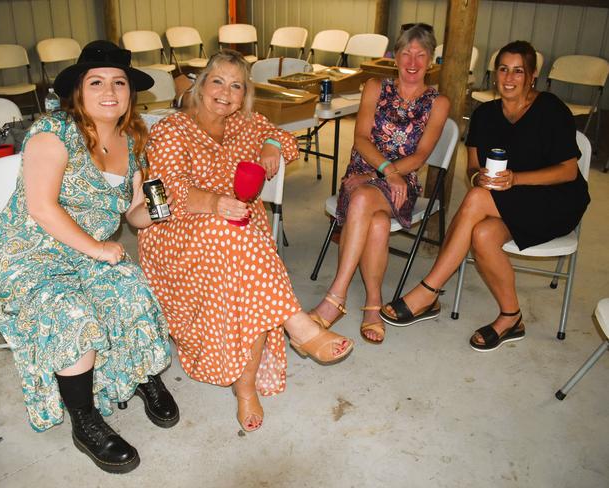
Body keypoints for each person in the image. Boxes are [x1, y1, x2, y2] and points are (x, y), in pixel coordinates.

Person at [0, 40, 179, 474]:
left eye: (119, 82)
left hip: (89, 251)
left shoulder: (132, 138)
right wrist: (96, 247)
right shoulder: (53, 133)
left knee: (132, 287)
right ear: (78, 91)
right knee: (70, 311)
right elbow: (41, 206)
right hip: (30, 251)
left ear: (130, 92)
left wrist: (156, 209)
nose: (109, 91)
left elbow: (132, 211)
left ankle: (143, 374)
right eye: (97, 82)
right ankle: (85, 420)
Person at [138, 49, 354, 433]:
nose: (226, 92)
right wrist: (215, 204)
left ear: (244, 95)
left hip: (237, 233)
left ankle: (247, 386)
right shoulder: (172, 129)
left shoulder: (247, 124)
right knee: (242, 244)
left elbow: (285, 140)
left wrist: (271, 147)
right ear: (201, 85)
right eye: (218, 81)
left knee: (245, 268)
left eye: (236, 85)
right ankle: (299, 330)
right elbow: (169, 191)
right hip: (178, 232)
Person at [380, 40, 591, 352]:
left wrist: (515, 178)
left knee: (477, 200)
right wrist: (481, 177)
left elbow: (568, 172)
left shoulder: (550, 108)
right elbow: (474, 170)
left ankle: (429, 290)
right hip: (508, 200)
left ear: (532, 75)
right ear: (494, 74)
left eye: (518, 71)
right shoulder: (484, 115)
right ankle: (511, 316)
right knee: (482, 233)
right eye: (503, 69)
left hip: (554, 200)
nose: (508, 77)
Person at [308, 24, 449, 344]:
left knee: (361, 200)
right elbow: (360, 138)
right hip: (363, 169)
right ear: (395, 57)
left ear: (430, 61)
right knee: (377, 223)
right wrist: (384, 169)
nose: (413, 61)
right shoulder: (375, 87)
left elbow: (422, 155)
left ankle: (335, 297)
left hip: (402, 182)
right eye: (406, 53)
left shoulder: (437, 103)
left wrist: (382, 175)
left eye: (421, 55)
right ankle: (373, 306)